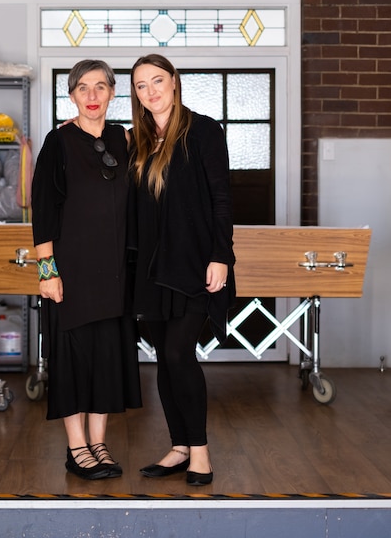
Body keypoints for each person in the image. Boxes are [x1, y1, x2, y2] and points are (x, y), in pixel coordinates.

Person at [128, 53, 236, 487]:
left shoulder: (204, 131)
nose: (151, 91)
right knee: (163, 360)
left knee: (178, 353)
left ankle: (201, 452)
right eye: (140, 85)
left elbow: (221, 199)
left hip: (193, 263)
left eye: (157, 80)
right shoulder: (134, 140)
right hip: (149, 269)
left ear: (174, 82)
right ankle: (179, 446)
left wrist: (221, 255)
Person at [31, 59, 142, 480]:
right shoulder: (57, 142)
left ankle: (99, 443)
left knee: (107, 359)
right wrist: (47, 270)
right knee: (74, 359)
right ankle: (76, 448)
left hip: (116, 272)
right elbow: (43, 210)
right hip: (71, 272)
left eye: (100, 87)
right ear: (72, 95)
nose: (92, 96)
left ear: (113, 93)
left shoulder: (126, 139)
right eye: (83, 88)